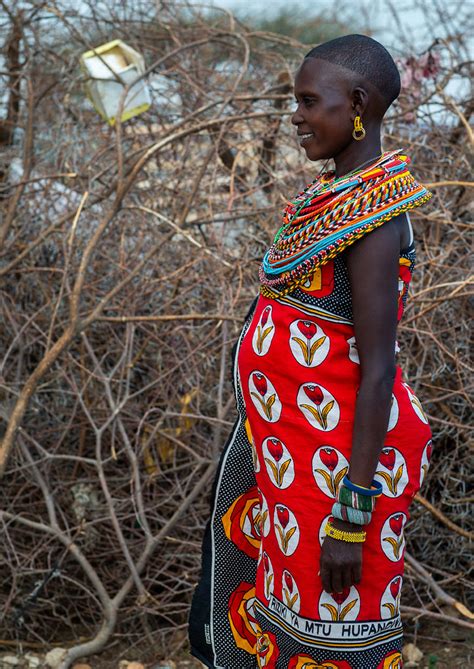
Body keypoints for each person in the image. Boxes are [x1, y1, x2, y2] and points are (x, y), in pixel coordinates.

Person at [189, 34, 433, 669]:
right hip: (293, 458)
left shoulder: (374, 220)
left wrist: (351, 517)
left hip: (342, 476)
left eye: (307, 101)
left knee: (334, 636)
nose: (295, 116)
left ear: (356, 103)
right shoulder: (331, 198)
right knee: (283, 622)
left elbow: (379, 372)